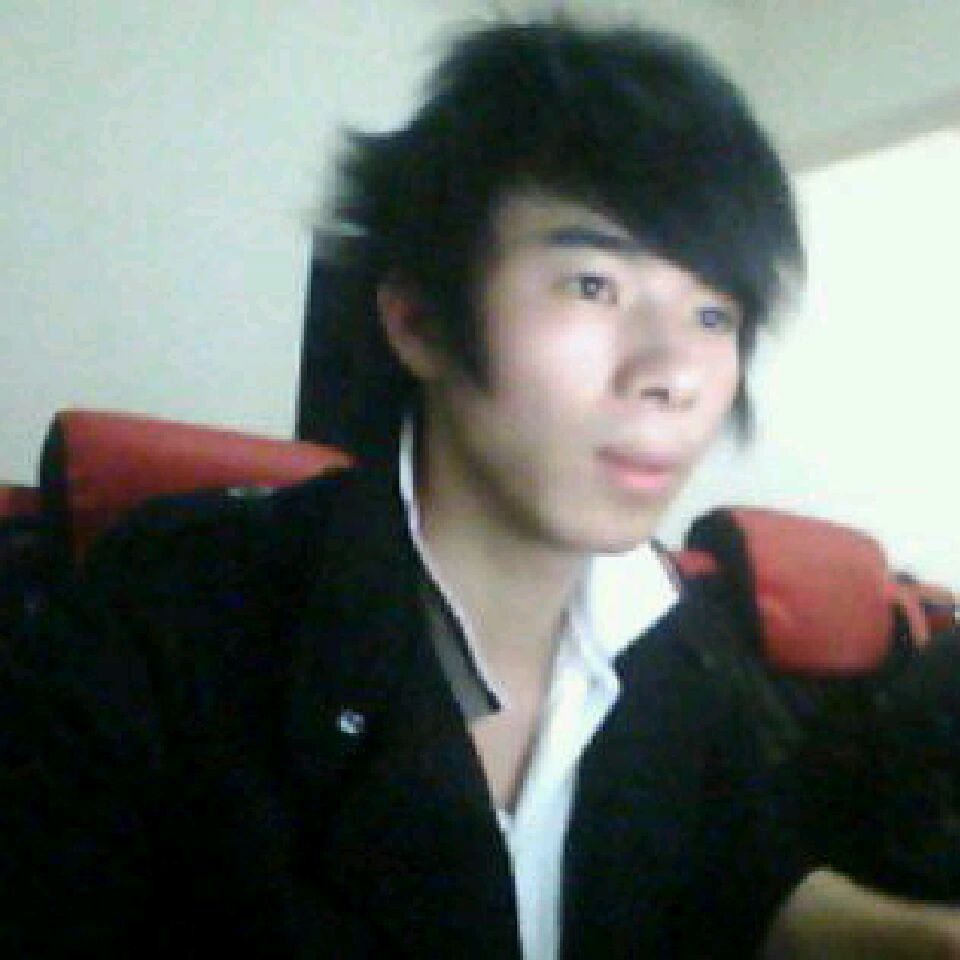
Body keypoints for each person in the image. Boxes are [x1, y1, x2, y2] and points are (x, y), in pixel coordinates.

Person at [2, 16, 959, 959]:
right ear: (419, 320)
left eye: (714, 314)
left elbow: (747, 884)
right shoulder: (174, 615)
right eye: (595, 285)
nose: (673, 372)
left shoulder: (672, 643)